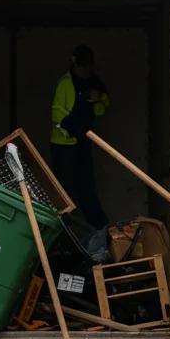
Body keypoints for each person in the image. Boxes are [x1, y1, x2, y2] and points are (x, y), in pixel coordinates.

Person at [50, 44, 110, 228]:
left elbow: (103, 107)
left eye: (87, 67)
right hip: (64, 146)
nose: (84, 71)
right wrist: (71, 127)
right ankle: (62, 232)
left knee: (86, 189)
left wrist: (98, 99)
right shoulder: (66, 83)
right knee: (65, 192)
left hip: (83, 143)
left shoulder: (95, 83)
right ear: (75, 65)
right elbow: (57, 115)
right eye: (81, 67)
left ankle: (99, 230)